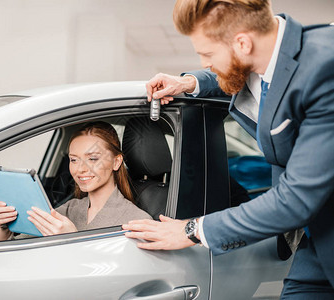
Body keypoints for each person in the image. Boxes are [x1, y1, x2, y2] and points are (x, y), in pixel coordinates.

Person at [122, 0, 334, 298]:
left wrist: (191, 230)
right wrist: (188, 82)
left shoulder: (325, 68)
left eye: (207, 53)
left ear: (243, 43)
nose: (205, 62)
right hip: (318, 241)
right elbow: (233, 75)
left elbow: (296, 199)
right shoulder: (267, 57)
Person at [0, 121, 152, 241]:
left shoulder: (137, 222)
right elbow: (18, 248)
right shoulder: (69, 209)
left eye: (93, 159)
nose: (80, 169)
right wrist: (4, 226)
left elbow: (118, 280)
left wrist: (72, 239)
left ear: (116, 162)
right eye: (74, 160)